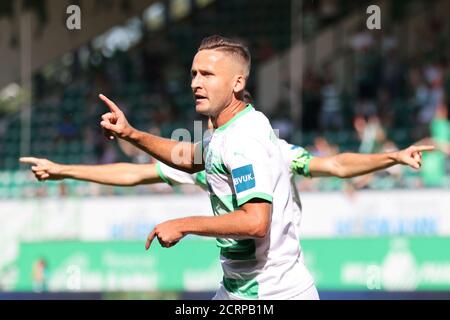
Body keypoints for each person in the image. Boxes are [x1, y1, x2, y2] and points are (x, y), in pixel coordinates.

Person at [22, 35, 434, 300]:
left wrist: (185, 223)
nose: (195, 82)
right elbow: (174, 161)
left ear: (237, 82)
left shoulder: (247, 140)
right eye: (193, 73)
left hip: (275, 294)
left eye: (207, 74)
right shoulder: (225, 140)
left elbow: (257, 221)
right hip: (239, 290)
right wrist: (119, 141)